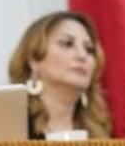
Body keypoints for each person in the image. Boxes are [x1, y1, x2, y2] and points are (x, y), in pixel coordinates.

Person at [8, 10, 112, 139]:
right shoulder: (10, 125)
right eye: (67, 44)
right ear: (34, 60)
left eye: (89, 49)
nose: (82, 55)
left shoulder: (100, 132)